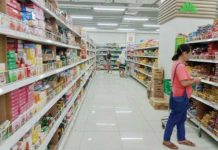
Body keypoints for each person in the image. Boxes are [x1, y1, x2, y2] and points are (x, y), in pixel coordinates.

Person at [163, 44, 200, 150]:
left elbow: (182, 80)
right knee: (173, 119)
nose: (191, 55)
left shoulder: (177, 63)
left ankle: (181, 138)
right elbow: (184, 83)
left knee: (181, 119)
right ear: (184, 53)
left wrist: (190, 78)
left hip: (180, 96)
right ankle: (166, 140)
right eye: (190, 53)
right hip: (180, 97)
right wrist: (195, 80)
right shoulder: (180, 66)